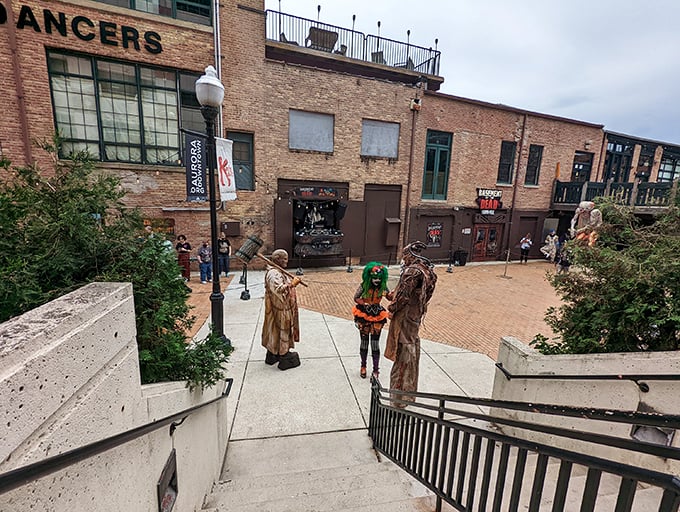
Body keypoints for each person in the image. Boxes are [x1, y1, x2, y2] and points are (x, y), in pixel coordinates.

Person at [385, 241, 437, 407]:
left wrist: (392, 307)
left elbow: (404, 297)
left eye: (404, 256)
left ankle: (398, 402)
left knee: (403, 359)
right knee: (410, 355)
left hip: (405, 321)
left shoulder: (412, 271)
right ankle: (406, 397)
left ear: (409, 255)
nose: (403, 259)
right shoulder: (426, 269)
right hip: (413, 318)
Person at [262, 249, 303, 370]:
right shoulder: (274, 274)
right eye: (284, 259)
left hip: (282, 308)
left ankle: (274, 352)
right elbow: (279, 289)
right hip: (280, 309)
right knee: (282, 331)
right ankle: (283, 354)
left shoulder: (278, 271)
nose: (287, 261)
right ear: (277, 259)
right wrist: (292, 284)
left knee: (276, 330)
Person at [352, 262, 393, 379]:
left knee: (375, 344)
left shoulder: (383, 287)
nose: (377, 280)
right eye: (374, 278)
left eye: (379, 278)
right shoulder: (364, 285)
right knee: (364, 342)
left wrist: (393, 294)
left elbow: (389, 297)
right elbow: (356, 297)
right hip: (364, 315)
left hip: (377, 316)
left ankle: (376, 370)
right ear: (369, 276)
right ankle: (363, 366)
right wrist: (364, 303)